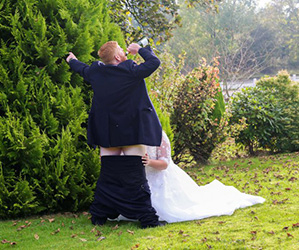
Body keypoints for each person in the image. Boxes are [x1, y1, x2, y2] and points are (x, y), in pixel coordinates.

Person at [66, 41, 163, 228]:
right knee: (136, 178)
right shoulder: (131, 70)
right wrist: (140, 50)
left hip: (108, 133)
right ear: (118, 57)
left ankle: (99, 216)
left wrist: (72, 60)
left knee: (108, 177)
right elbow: (154, 63)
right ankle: (147, 219)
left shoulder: (96, 73)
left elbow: (83, 70)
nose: (124, 52)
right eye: (121, 50)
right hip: (132, 132)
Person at [118, 131, 265, 223]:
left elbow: (164, 163)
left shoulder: (159, 135)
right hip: (140, 180)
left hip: (161, 177)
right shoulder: (131, 136)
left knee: (168, 209)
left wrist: (149, 162)